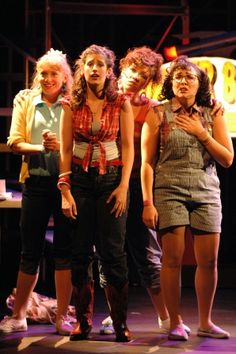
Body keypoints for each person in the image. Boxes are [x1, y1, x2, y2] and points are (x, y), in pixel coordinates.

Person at [141, 55, 234, 341]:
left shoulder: (213, 112)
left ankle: (205, 321)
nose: (182, 81)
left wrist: (201, 134)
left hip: (206, 190)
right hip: (169, 190)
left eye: (189, 77)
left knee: (208, 261)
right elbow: (147, 162)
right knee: (172, 258)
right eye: (177, 77)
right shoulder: (157, 113)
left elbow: (227, 159)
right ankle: (175, 322)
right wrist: (147, 202)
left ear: (200, 83)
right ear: (170, 83)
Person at [99, 46, 191, 336]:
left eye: (143, 74)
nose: (135, 77)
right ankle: (115, 313)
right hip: (107, 183)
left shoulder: (152, 108)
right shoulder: (103, 101)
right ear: (122, 68)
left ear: (149, 79)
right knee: (107, 254)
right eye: (132, 69)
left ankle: (166, 317)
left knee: (148, 254)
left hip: (139, 186)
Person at [58, 44, 134, 342]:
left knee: (113, 253)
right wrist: (65, 190)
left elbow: (127, 147)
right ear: (82, 69)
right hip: (79, 179)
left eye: (100, 64)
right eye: (89, 64)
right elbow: (65, 149)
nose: (94, 69)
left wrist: (124, 186)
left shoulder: (121, 102)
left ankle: (119, 323)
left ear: (108, 70)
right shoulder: (70, 103)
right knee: (80, 253)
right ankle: (83, 321)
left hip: (112, 178)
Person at [0, 48, 74, 336]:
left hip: (66, 185)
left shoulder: (72, 102)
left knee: (65, 252)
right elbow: (15, 141)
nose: (48, 77)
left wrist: (61, 149)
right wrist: (44, 148)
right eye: (43, 73)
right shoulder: (27, 101)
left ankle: (62, 318)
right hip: (36, 182)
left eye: (55, 73)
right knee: (29, 250)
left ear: (65, 76)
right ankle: (18, 315)